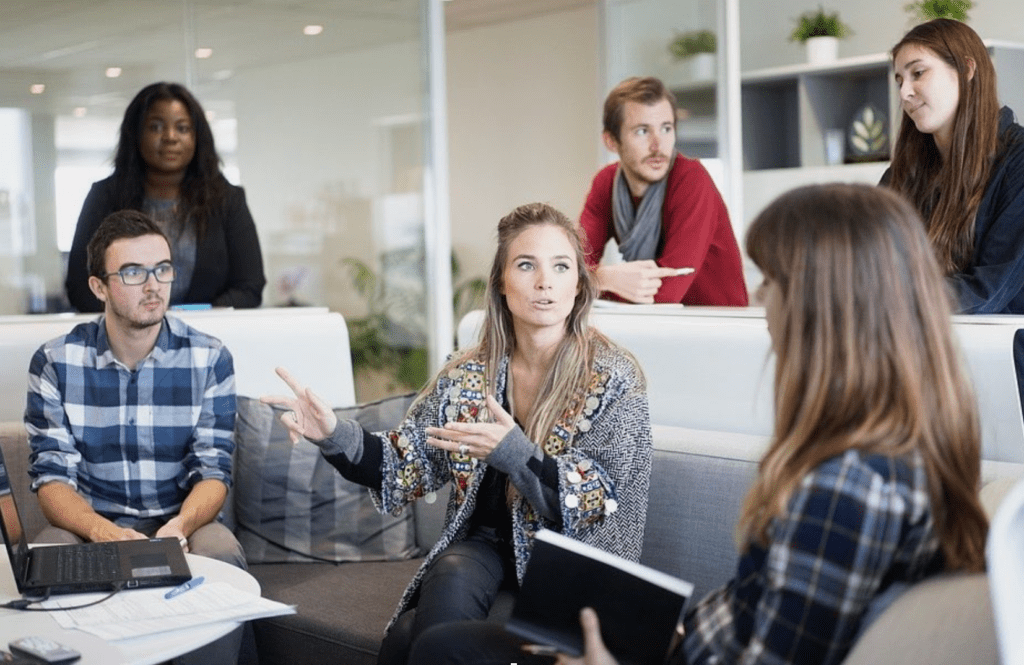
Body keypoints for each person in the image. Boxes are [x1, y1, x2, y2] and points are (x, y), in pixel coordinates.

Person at [409, 184, 990, 665]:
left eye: (773, 282)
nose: (761, 301)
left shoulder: (847, 487)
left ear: (826, 305)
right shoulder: (892, 451)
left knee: (443, 651)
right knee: (439, 639)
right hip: (683, 642)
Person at [263, 202, 653, 665]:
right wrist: (331, 433)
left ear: (578, 286)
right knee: (449, 572)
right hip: (485, 548)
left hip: (573, 566)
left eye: (561, 266)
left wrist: (513, 452)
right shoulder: (469, 374)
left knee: (411, 636)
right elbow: (402, 463)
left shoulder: (613, 377)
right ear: (502, 285)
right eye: (526, 265)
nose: (545, 281)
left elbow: (596, 498)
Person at [26, 210, 248, 663]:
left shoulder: (209, 358)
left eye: (162, 269)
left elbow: (214, 470)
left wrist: (179, 528)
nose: (154, 285)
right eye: (133, 272)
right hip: (91, 524)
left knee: (221, 552)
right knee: (47, 552)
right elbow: (51, 479)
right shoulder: (55, 361)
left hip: (182, 521)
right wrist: (101, 532)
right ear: (98, 287)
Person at [881, 18, 1024, 410]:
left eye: (918, 73)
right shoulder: (900, 176)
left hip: (1005, 384)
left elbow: (989, 290)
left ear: (967, 68)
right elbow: (872, 265)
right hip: (921, 376)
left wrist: (885, 301)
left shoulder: (1018, 163)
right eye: (899, 80)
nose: (905, 92)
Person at [65, 81, 266, 312]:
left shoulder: (228, 200)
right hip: (126, 340)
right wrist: (141, 319)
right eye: (156, 127)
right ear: (136, 134)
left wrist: (191, 321)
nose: (170, 137)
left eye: (183, 128)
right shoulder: (104, 197)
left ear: (197, 137)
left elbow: (249, 287)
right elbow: (80, 288)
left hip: (208, 337)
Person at [579, 76, 747, 306]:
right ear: (611, 141)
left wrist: (594, 281)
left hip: (716, 327)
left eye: (666, 128)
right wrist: (603, 277)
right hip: (654, 326)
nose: (658, 145)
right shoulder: (606, 183)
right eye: (642, 131)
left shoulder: (691, 180)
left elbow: (666, 293)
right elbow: (570, 268)